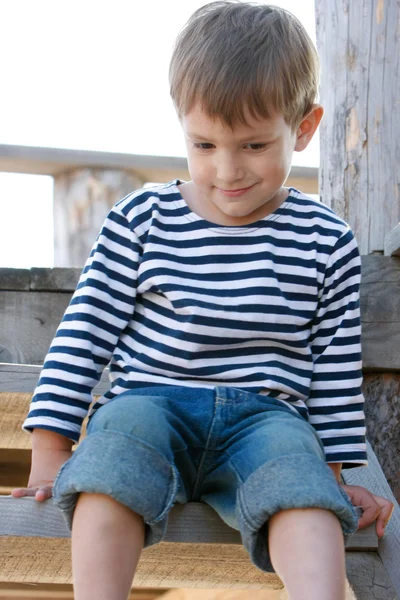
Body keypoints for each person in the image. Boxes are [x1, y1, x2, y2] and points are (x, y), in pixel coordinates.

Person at [13, 3, 394, 599]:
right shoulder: (143, 219)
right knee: (108, 469)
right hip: (148, 404)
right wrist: (51, 451)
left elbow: (332, 369)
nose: (227, 169)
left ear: (304, 127)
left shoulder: (325, 239)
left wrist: (331, 476)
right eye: (204, 143)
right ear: (182, 125)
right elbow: (84, 336)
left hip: (267, 419)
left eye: (253, 145)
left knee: (302, 491)